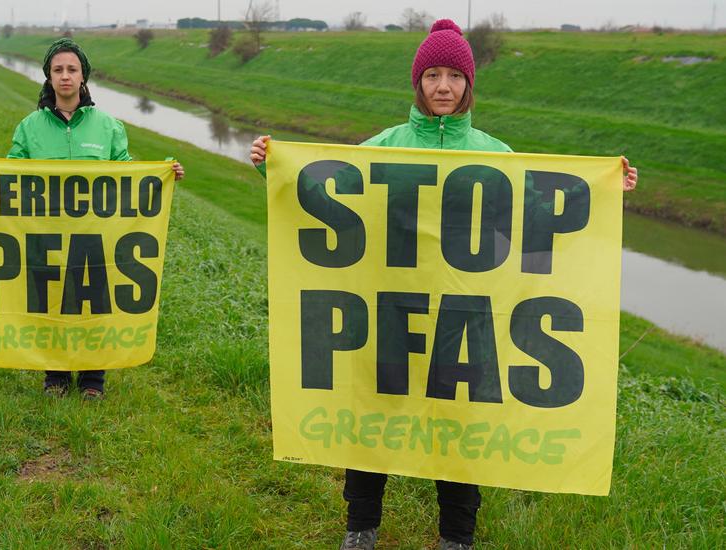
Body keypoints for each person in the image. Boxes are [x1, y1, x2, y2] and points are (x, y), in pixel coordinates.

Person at [249, 19, 637, 550]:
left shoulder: (493, 152)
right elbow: (335, 189)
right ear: (418, 82)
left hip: (465, 314)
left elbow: (538, 209)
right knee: (373, 418)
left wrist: (607, 191)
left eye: (454, 75)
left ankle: (457, 536)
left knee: (459, 427)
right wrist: (275, 166)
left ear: (468, 84)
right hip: (390, 311)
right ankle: (360, 527)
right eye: (432, 74)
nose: (443, 86)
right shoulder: (387, 144)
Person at [0, 37, 185, 399]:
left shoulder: (108, 126)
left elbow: (125, 173)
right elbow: (11, 174)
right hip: (44, 234)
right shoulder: (30, 126)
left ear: (83, 77)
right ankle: (56, 376)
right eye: (58, 70)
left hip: (95, 234)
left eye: (71, 70)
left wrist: (163, 175)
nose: (65, 76)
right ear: (48, 77)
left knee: (93, 299)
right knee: (52, 299)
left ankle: (94, 379)